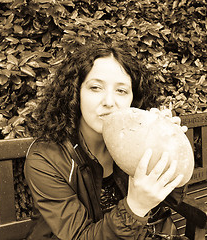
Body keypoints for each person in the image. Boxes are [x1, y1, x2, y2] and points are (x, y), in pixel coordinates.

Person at [24, 39, 189, 240]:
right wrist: (135, 207)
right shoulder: (46, 158)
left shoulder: (135, 140)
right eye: (95, 88)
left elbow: (172, 198)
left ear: (133, 99)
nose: (109, 102)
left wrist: (170, 148)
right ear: (76, 93)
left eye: (121, 91)